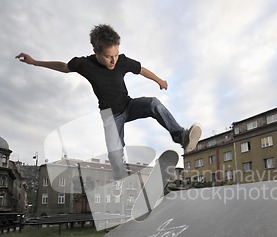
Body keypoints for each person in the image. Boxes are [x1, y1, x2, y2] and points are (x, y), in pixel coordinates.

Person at [16, 24, 201, 185]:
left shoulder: (121, 61)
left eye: (116, 55)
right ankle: (121, 183)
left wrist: (159, 80)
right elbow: (63, 67)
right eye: (108, 56)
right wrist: (35, 62)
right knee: (115, 155)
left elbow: (141, 69)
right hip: (110, 116)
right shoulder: (83, 64)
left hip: (128, 106)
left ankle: (181, 136)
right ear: (96, 51)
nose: (114, 61)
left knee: (153, 103)